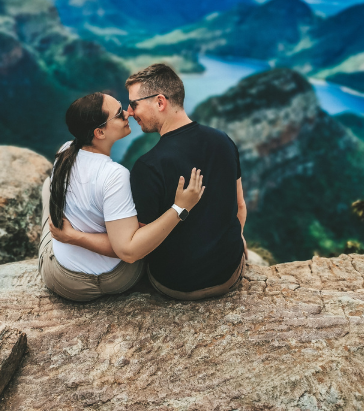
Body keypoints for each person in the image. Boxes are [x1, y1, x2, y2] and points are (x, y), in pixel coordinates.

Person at [52, 64, 248, 301]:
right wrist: (233, 247)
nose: (130, 113)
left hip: (174, 285)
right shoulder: (224, 141)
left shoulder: (149, 166)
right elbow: (239, 207)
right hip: (228, 275)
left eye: (134, 104)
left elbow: (136, 247)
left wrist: (73, 235)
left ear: (160, 102)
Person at [39, 90, 204, 302]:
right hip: (118, 279)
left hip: (64, 281)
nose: (128, 113)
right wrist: (180, 207)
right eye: (119, 113)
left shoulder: (65, 152)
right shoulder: (115, 175)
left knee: (47, 189)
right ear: (99, 133)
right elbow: (127, 251)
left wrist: (71, 236)